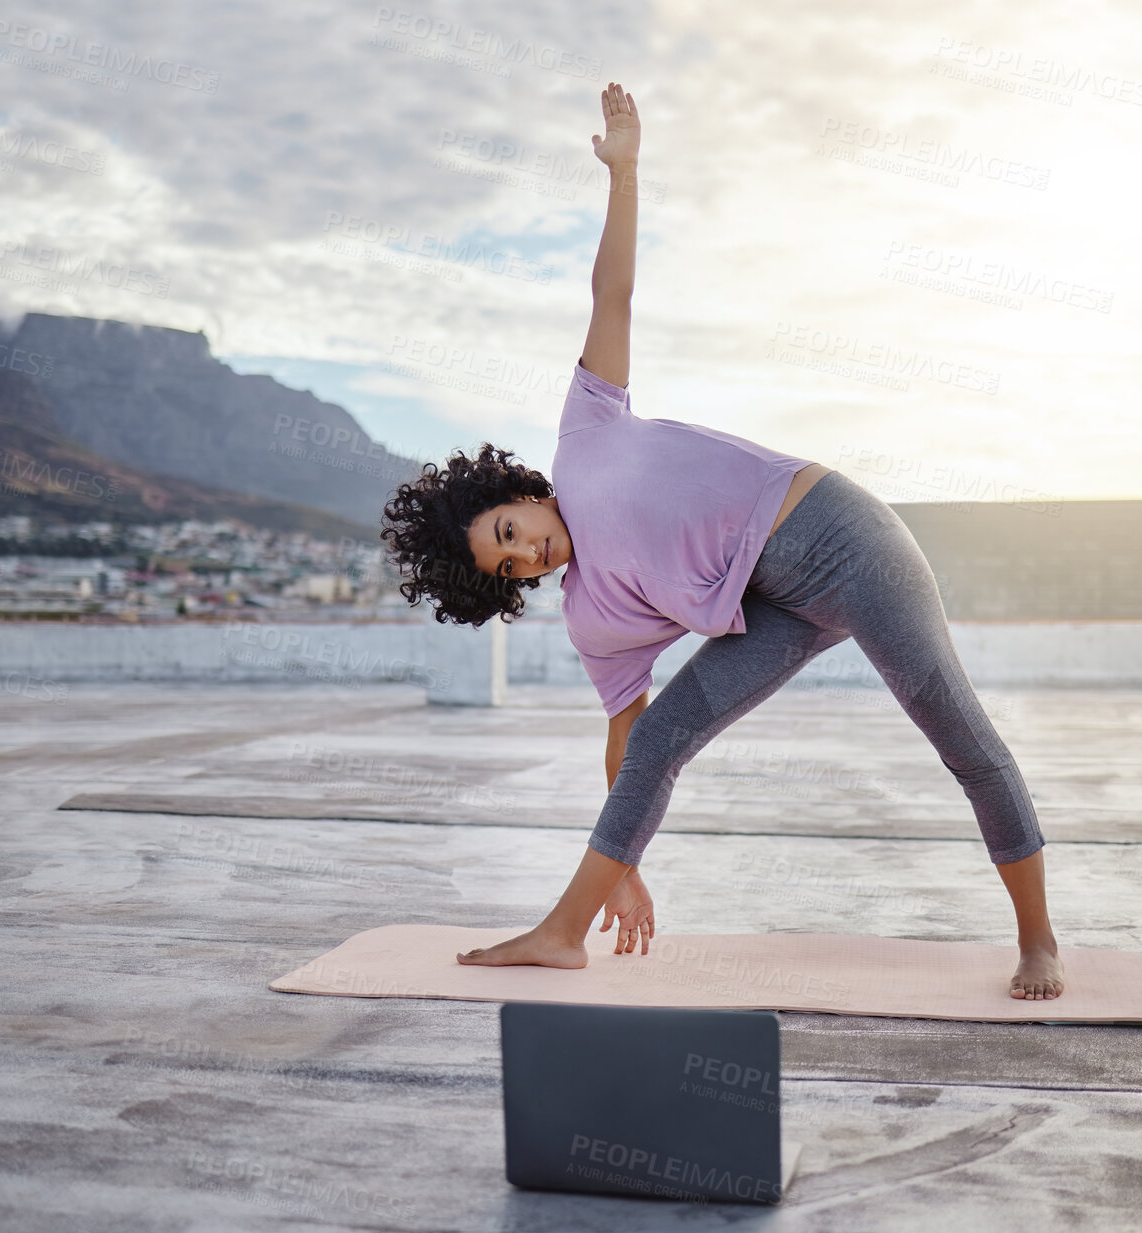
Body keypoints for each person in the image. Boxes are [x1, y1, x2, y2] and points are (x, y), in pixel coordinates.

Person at [379, 83, 1064, 1000]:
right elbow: (628, 742)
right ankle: (562, 930)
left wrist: (623, 172)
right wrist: (623, 862)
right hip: (773, 608)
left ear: (518, 493)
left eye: (512, 531)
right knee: (663, 738)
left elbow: (611, 293)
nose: (527, 554)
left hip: (846, 541)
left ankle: (1039, 942)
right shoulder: (594, 620)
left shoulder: (584, 434)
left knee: (960, 738)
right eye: (509, 567)